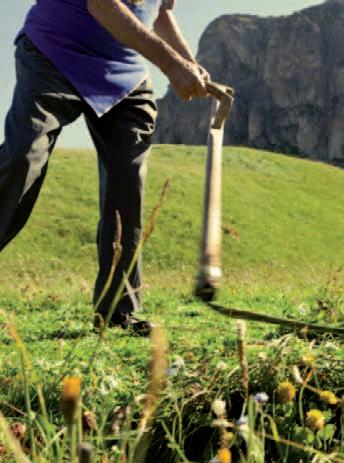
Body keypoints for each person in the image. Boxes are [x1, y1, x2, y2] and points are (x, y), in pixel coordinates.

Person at [0, 0, 211, 336]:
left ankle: (117, 312)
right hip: (56, 49)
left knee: (127, 187)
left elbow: (161, 13)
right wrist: (173, 64)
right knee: (23, 159)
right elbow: (102, 5)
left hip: (124, 74)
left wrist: (190, 64)